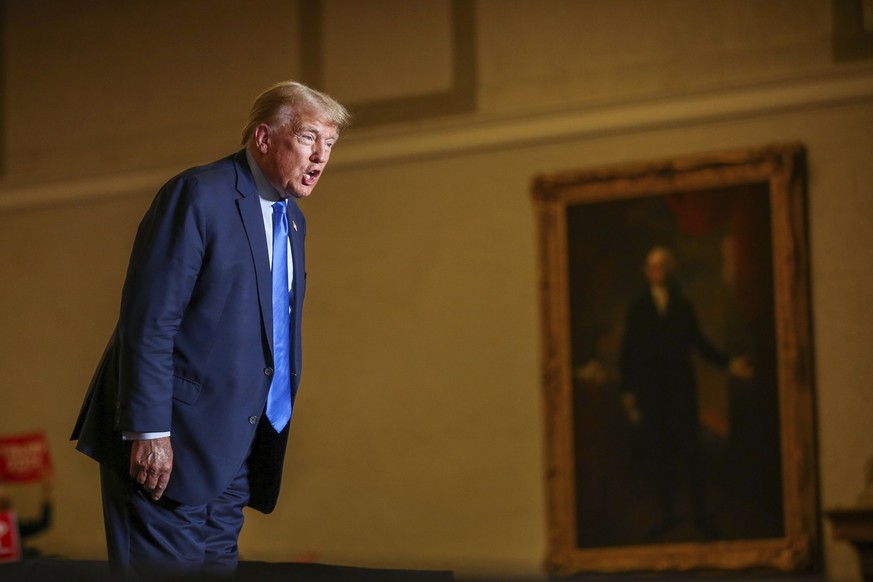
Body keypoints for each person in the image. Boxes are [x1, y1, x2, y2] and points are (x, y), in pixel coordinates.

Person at [71, 81, 350, 573]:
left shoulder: (294, 221)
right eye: (309, 138)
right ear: (264, 138)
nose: (321, 156)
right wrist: (150, 431)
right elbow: (150, 320)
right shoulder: (199, 193)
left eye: (330, 144)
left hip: (232, 449)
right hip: (166, 448)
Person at [619, 246, 752, 539]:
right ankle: (666, 514)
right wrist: (628, 390)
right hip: (652, 392)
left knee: (692, 453)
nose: (659, 271)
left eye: (663, 266)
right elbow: (629, 350)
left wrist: (729, 364)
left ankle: (700, 515)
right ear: (647, 273)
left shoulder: (683, 306)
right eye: (653, 267)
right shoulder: (638, 308)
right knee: (661, 454)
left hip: (681, 389)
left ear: (670, 270)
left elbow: (700, 343)